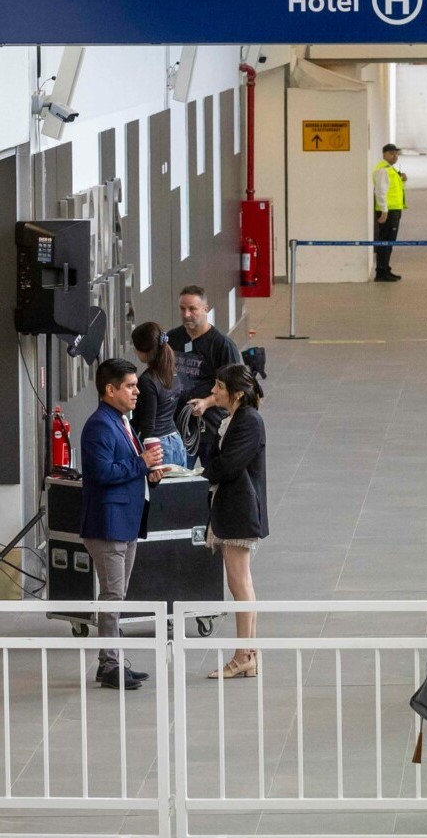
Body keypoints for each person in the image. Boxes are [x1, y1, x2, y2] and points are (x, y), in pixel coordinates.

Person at [79, 358, 165, 690]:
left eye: (136, 385)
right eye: (130, 386)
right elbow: (101, 473)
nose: (136, 391)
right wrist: (140, 463)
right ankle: (112, 666)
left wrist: (149, 470)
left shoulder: (122, 421)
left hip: (126, 522)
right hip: (108, 524)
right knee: (113, 596)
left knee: (118, 594)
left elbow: (127, 466)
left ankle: (108, 663)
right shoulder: (100, 424)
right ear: (109, 390)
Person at [201, 363, 269, 679]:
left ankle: (244, 654)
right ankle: (249, 653)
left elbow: (228, 465)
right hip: (233, 505)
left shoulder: (249, 422)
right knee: (240, 582)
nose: (213, 391)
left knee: (239, 583)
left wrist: (203, 473)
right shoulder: (235, 418)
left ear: (237, 393)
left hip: (240, 507)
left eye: (218, 387)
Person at [169, 285, 241, 465]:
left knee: (214, 478)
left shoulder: (222, 345)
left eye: (192, 309)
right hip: (180, 425)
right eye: (182, 309)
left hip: (211, 425)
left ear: (205, 309)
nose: (186, 315)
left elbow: (234, 387)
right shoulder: (172, 339)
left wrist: (206, 403)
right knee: (180, 479)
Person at [130, 321, 186, 467]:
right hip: (175, 441)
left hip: (157, 446)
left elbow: (148, 424)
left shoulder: (147, 380)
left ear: (144, 350)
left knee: (159, 490)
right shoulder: (172, 373)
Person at [372, 142, 407, 282]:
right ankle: (381, 272)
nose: (395, 156)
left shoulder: (390, 169)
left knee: (389, 242)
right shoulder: (383, 170)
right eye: (391, 153)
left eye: (396, 153)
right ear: (384, 154)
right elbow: (380, 191)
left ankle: (385, 269)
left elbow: (394, 189)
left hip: (393, 210)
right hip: (388, 212)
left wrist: (402, 180)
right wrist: (384, 211)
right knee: (385, 242)